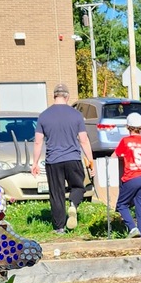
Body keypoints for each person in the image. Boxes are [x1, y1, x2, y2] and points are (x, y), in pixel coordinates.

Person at [30, 83, 94, 234]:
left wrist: (35, 163)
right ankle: (73, 204)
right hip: (73, 158)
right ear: (67, 97)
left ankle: (59, 227)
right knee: (78, 186)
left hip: (53, 161)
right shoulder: (76, 115)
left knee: (56, 193)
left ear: (54, 96)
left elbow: (38, 141)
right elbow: (84, 140)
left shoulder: (44, 115)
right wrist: (91, 162)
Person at [112, 112, 141, 238]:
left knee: (121, 205)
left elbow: (115, 156)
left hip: (131, 176)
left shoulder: (125, 141)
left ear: (128, 126)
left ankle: (132, 227)